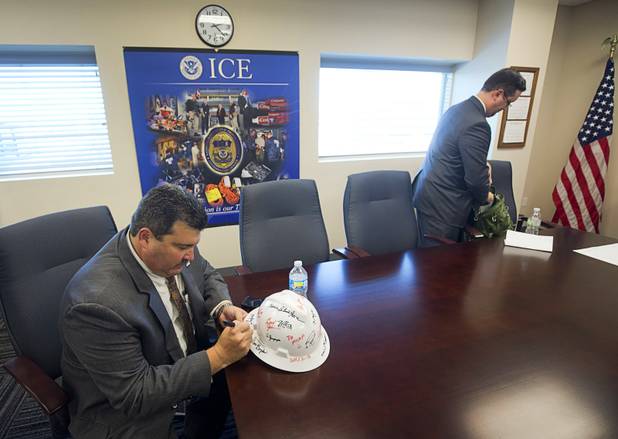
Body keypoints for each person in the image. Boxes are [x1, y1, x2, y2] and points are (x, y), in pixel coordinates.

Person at [59, 184, 252, 439]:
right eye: (184, 248)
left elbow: (206, 272)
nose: (190, 257)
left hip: (182, 365)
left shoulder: (177, 243)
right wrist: (218, 356)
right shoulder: (95, 303)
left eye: (194, 246)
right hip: (128, 414)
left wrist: (221, 307)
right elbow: (135, 393)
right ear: (145, 238)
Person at [413, 68, 526, 246]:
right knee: (436, 266)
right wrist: (489, 198)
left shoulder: (457, 109)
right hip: (446, 206)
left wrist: (483, 164)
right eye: (509, 103)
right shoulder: (478, 125)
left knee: (426, 261)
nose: (505, 109)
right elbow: (475, 180)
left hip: (429, 195)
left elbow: (456, 153)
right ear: (498, 94)